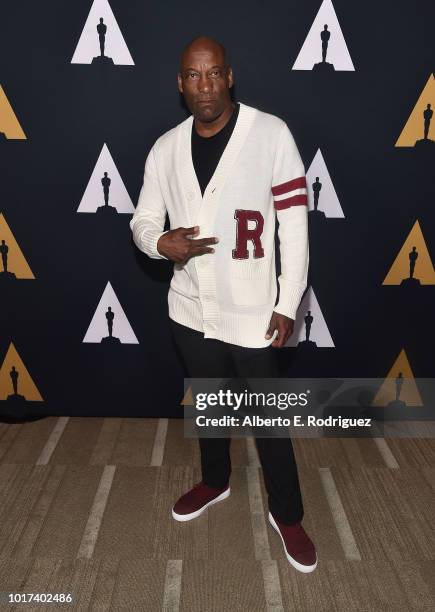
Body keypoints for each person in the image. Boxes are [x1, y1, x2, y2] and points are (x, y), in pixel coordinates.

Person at [129, 35, 317, 573]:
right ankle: (215, 481)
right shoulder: (165, 148)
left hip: (255, 308)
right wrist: (158, 242)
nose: (204, 86)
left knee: (269, 421)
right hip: (190, 307)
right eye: (193, 75)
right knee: (209, 404)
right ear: (180, 82)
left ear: (229, 77)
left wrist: (288, 301)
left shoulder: (271, 134)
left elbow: (295, 228)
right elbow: (143, 219)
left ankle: (289, 514)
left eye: (213, 74)